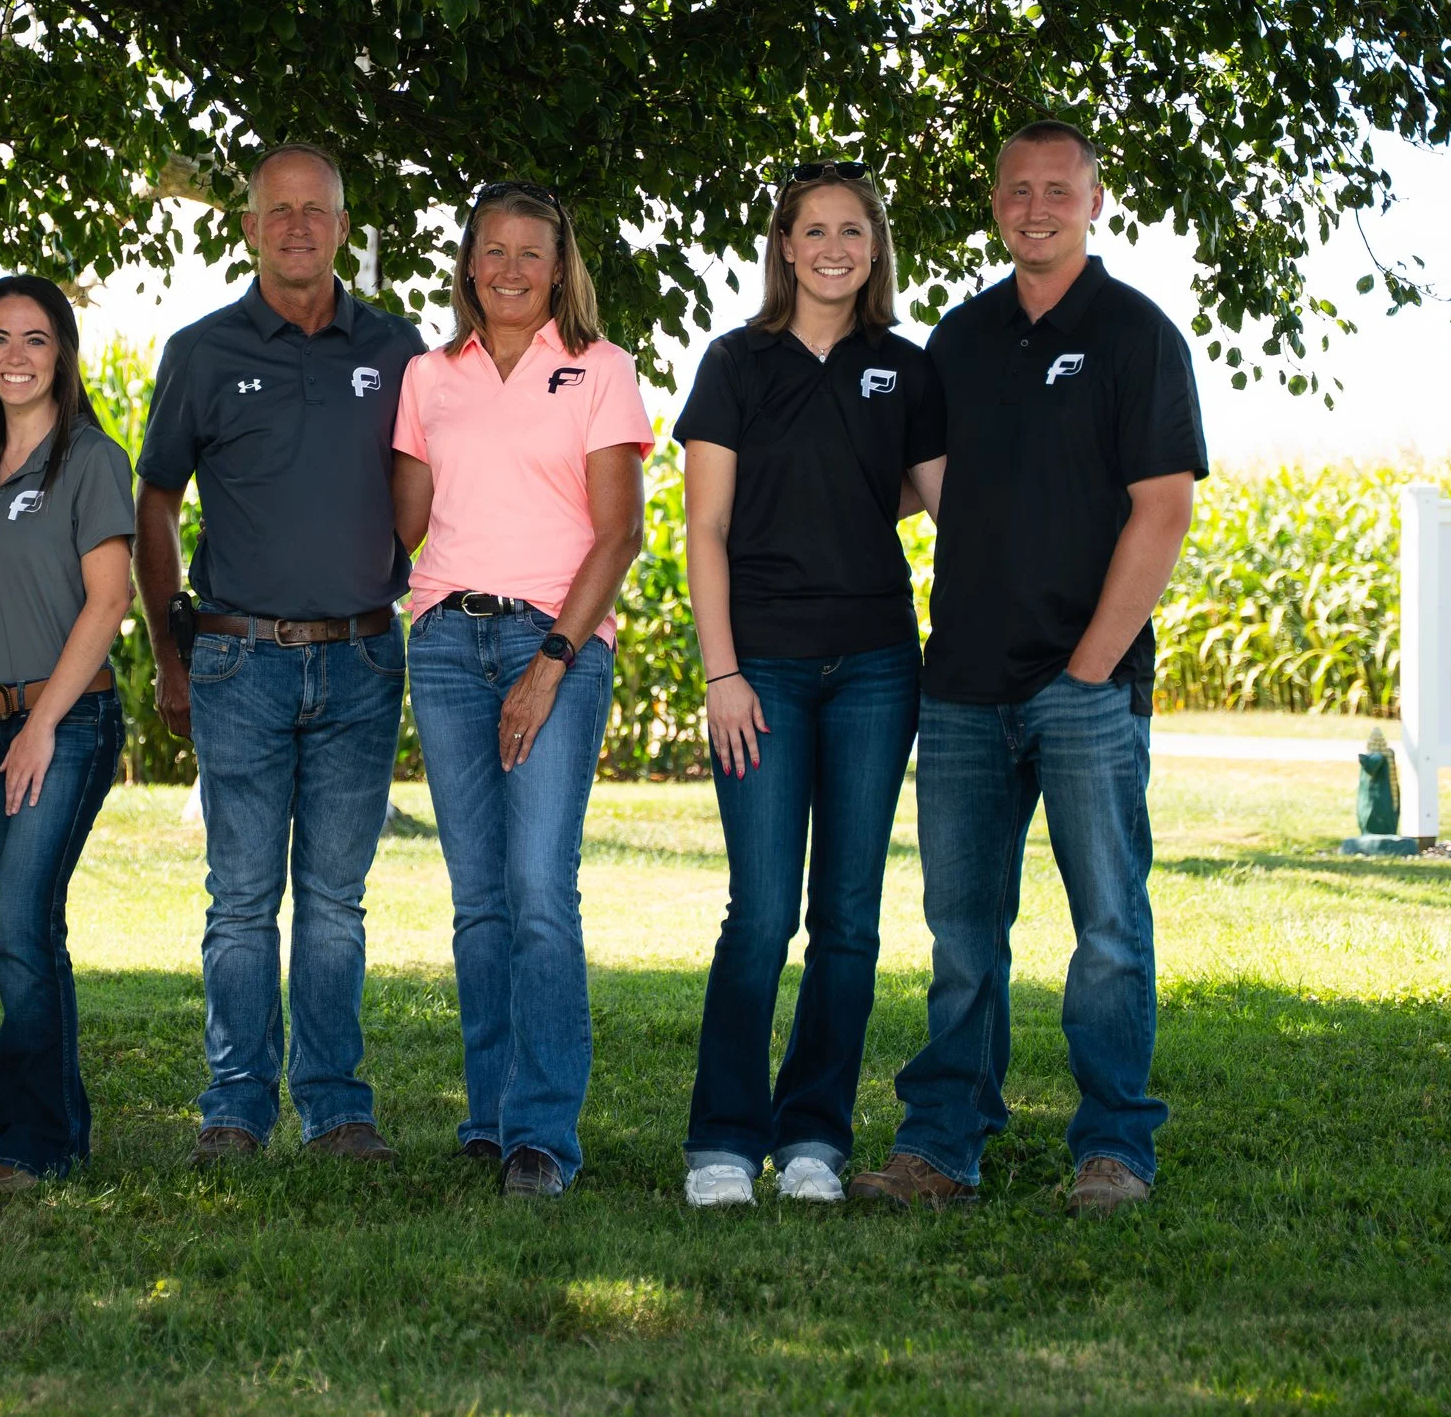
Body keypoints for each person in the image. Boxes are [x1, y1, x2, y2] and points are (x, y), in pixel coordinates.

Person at [849, 120, 1205, 1217]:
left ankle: (1112, 1147)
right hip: (958, 686)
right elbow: (901, 479)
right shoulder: (958, 339)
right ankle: (942, 1146)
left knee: (1107, 927)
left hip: (1083, 688)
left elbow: (1162, 509)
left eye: (1059, 188)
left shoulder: (1137, 335)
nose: (1035, 205)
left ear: (1096, 201)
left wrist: (1090, 667)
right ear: (994, 202)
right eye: (1017, 189)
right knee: (960, 934)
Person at [135, 143, 427, 1164]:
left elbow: (434, 486)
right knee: (242, 901)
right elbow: (155, 499)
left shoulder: (398, 349)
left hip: (360, 659)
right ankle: (235, 1107)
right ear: (250, 228)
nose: (297, 225)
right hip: (237, 659)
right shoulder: (204, 351)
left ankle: (338, 1106)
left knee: (337, 905)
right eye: (278, 210)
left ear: (344, 227)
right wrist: (170, 645)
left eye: (317, 209)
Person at [674, 163, 946, 1209]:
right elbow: (704, 528)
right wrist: (723, 671)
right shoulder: (735, 364)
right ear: (783, 244)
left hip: (878, 666)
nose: (835, 245)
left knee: (849, 916)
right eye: (815, 228)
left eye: (855, 229)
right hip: (765, 674)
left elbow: (949, 506)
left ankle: (815, 1141)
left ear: (874, 248)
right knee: (758, 914)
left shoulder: (905, 368)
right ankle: (723, 1142)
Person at [391, 184, 652, 1199]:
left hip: (559, 643)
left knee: (540, 888)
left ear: (559, 266)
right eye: (491, 251)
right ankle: (490, 1112)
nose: (508, 269)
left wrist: (549, 660)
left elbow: (618, 531)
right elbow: (402, 524)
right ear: (467, 265)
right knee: (477, 899)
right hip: (446, 646)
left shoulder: (599, 370)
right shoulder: (427, 375)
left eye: (529, 253)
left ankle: (542, 1133)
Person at [0, 276, 137, 1191]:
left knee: (21, 924)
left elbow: (111, 599)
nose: (14, 356)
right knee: (30, 926)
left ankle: (32, 1139)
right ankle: (61, 1127)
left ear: (62, 352)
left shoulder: (89, 458)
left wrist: (43, 725)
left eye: (35, 339)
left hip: (67, 721)